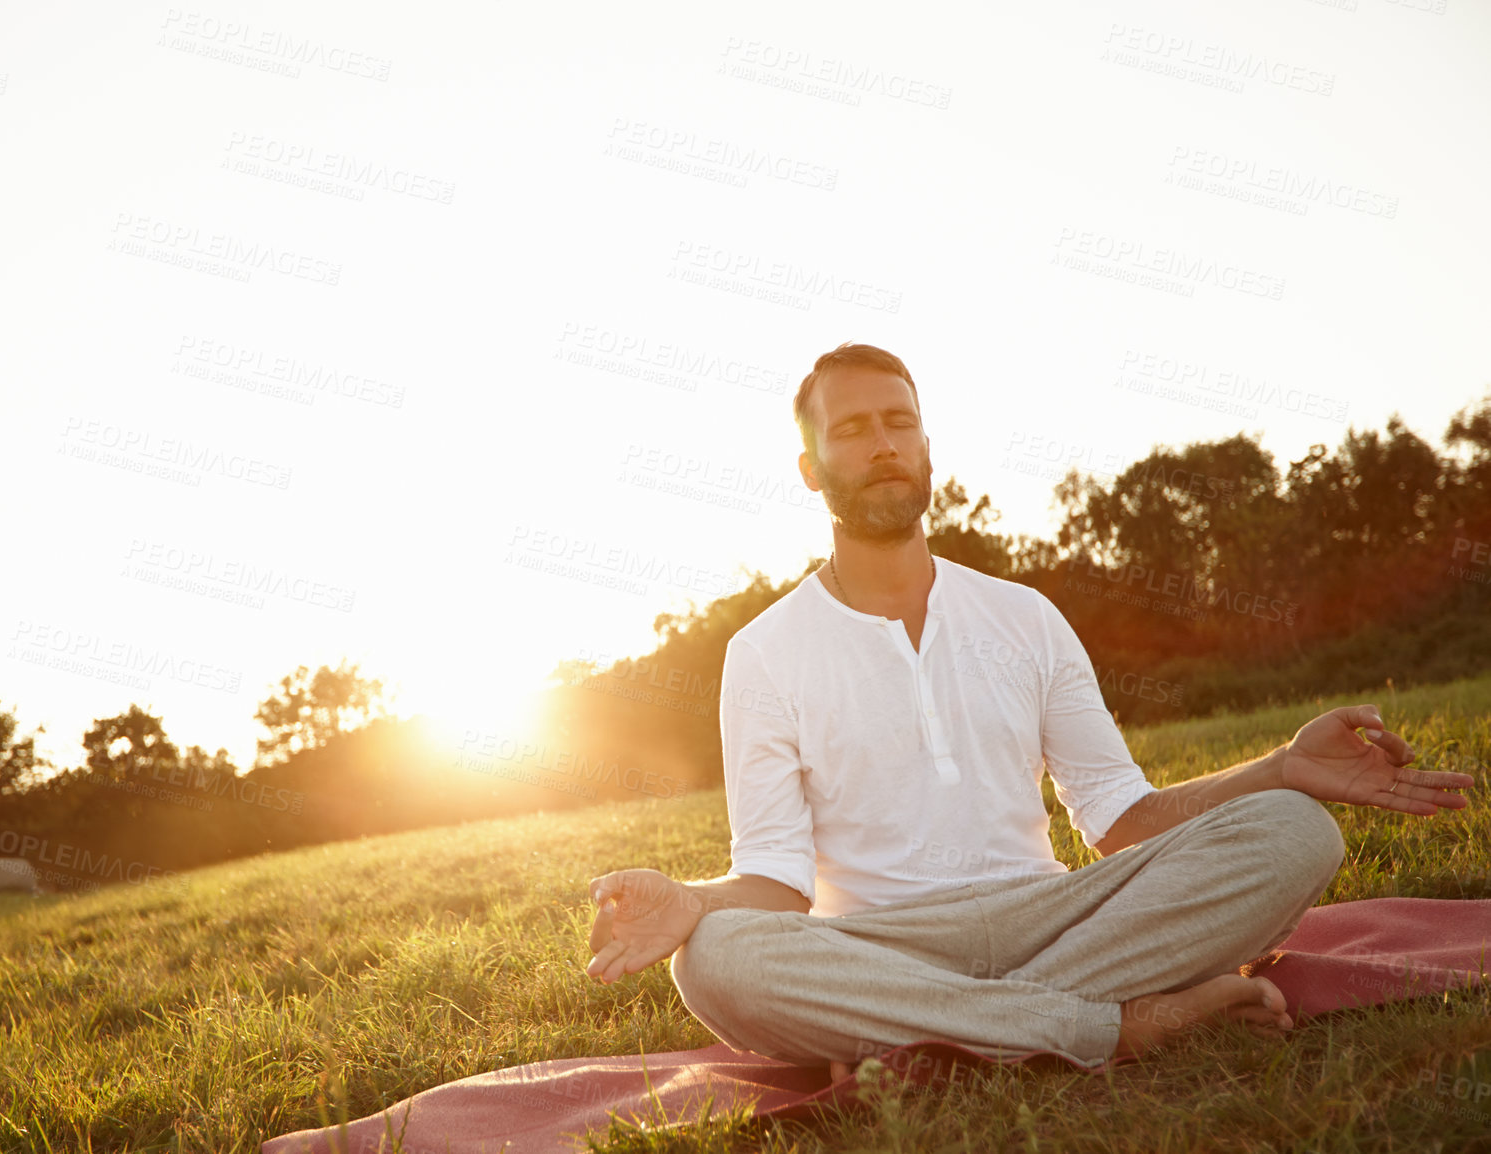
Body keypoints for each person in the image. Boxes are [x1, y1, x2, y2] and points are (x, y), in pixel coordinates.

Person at [583, 341, 1474, 1078]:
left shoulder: (1025, 616)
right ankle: (1117, 1028)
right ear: (812, 469)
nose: (883, 443)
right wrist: (693, 902)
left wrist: (1281, 768)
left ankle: (960, 1033)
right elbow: (776, 884)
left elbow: (1124, 820)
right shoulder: (765, 652)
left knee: (1294, 829)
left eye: (900, 422)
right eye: (852, 430)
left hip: (1064, 916)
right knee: (717, 961)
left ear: (928, 447)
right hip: (884, 949)